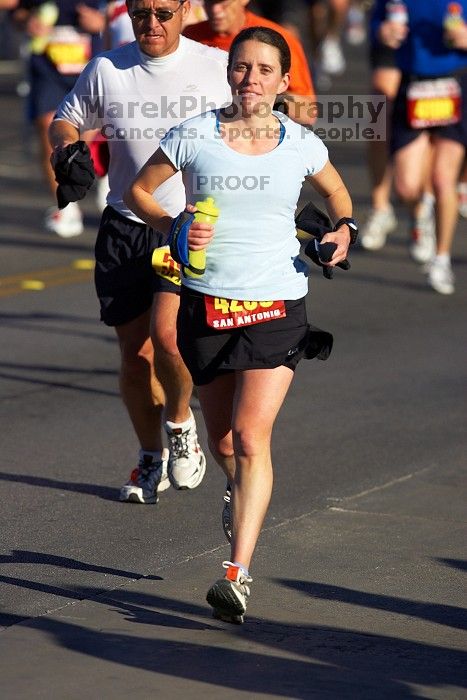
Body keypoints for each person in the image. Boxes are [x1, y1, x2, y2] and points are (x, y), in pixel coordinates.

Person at [125, 26, 354, 622]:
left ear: (282, 82)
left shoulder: (301, 143)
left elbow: (339, 197)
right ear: (230, 74)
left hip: (277, 305)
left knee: (253, 437)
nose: (249, 78)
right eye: (240, 67)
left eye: (262, 70)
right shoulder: (194, 134)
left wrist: (341, 231)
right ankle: (235, 485)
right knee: (225, 440)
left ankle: (237, 573)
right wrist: (176, 225)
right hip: (209, 306)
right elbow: (139, 191)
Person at [49, 0, 232, 503]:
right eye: (142, 12)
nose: (153, 23)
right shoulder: (108, 67)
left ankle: (179, 426)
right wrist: (65, 150)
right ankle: (150, 456)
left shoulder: (216, 67)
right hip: (125, 227)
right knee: (135, 356)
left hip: (187, 226)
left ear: (185, 9)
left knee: (167, 338)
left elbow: (255, 127)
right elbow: (66, 121)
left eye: (164, 12)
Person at [372, 0, 467, 295]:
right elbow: (377, 23)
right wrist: (384, 32)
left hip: (455, 84)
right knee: (407, 187)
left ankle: (441, 259)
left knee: (443, 180)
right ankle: (419, 212)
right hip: (412, 87)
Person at [12, 0, 106, 237]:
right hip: (48, 69)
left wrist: (102, 23)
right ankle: (66, 206)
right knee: (48, 132)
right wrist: (27, 21)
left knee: (91, 133)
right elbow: (16, 10)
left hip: (92, 68)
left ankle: (104, 175)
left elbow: (130, 14)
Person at [183, 0, 317, 127]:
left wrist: (263, 96)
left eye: (224, 3)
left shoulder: (279, 40)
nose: (215, 10)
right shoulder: (190, 35)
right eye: (209, 2)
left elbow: (308, 112)